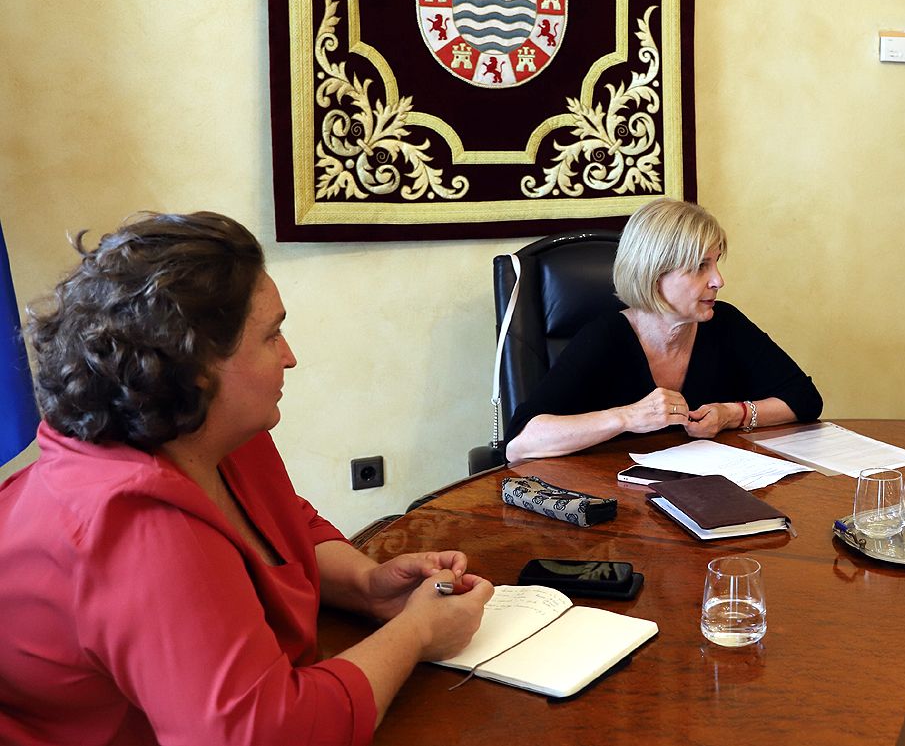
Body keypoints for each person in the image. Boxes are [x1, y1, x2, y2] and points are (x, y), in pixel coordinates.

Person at [0, 212, 495, 745]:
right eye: (271, 335)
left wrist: (367, 586)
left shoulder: (206, 430)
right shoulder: (135, 525)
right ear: (194, 367)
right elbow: (258, 734)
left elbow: (283, 528)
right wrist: (415, 632)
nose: (290, 357)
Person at [505, 199, 823, 461]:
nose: (718, 280)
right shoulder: (605, 338)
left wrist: (732, 413)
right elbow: (520, 443)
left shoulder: (724, 323)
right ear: (655, 274)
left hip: (711, 496)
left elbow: (804, 399)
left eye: (716, 263)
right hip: (615, 513)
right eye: (701, 266)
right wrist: (627, 417)